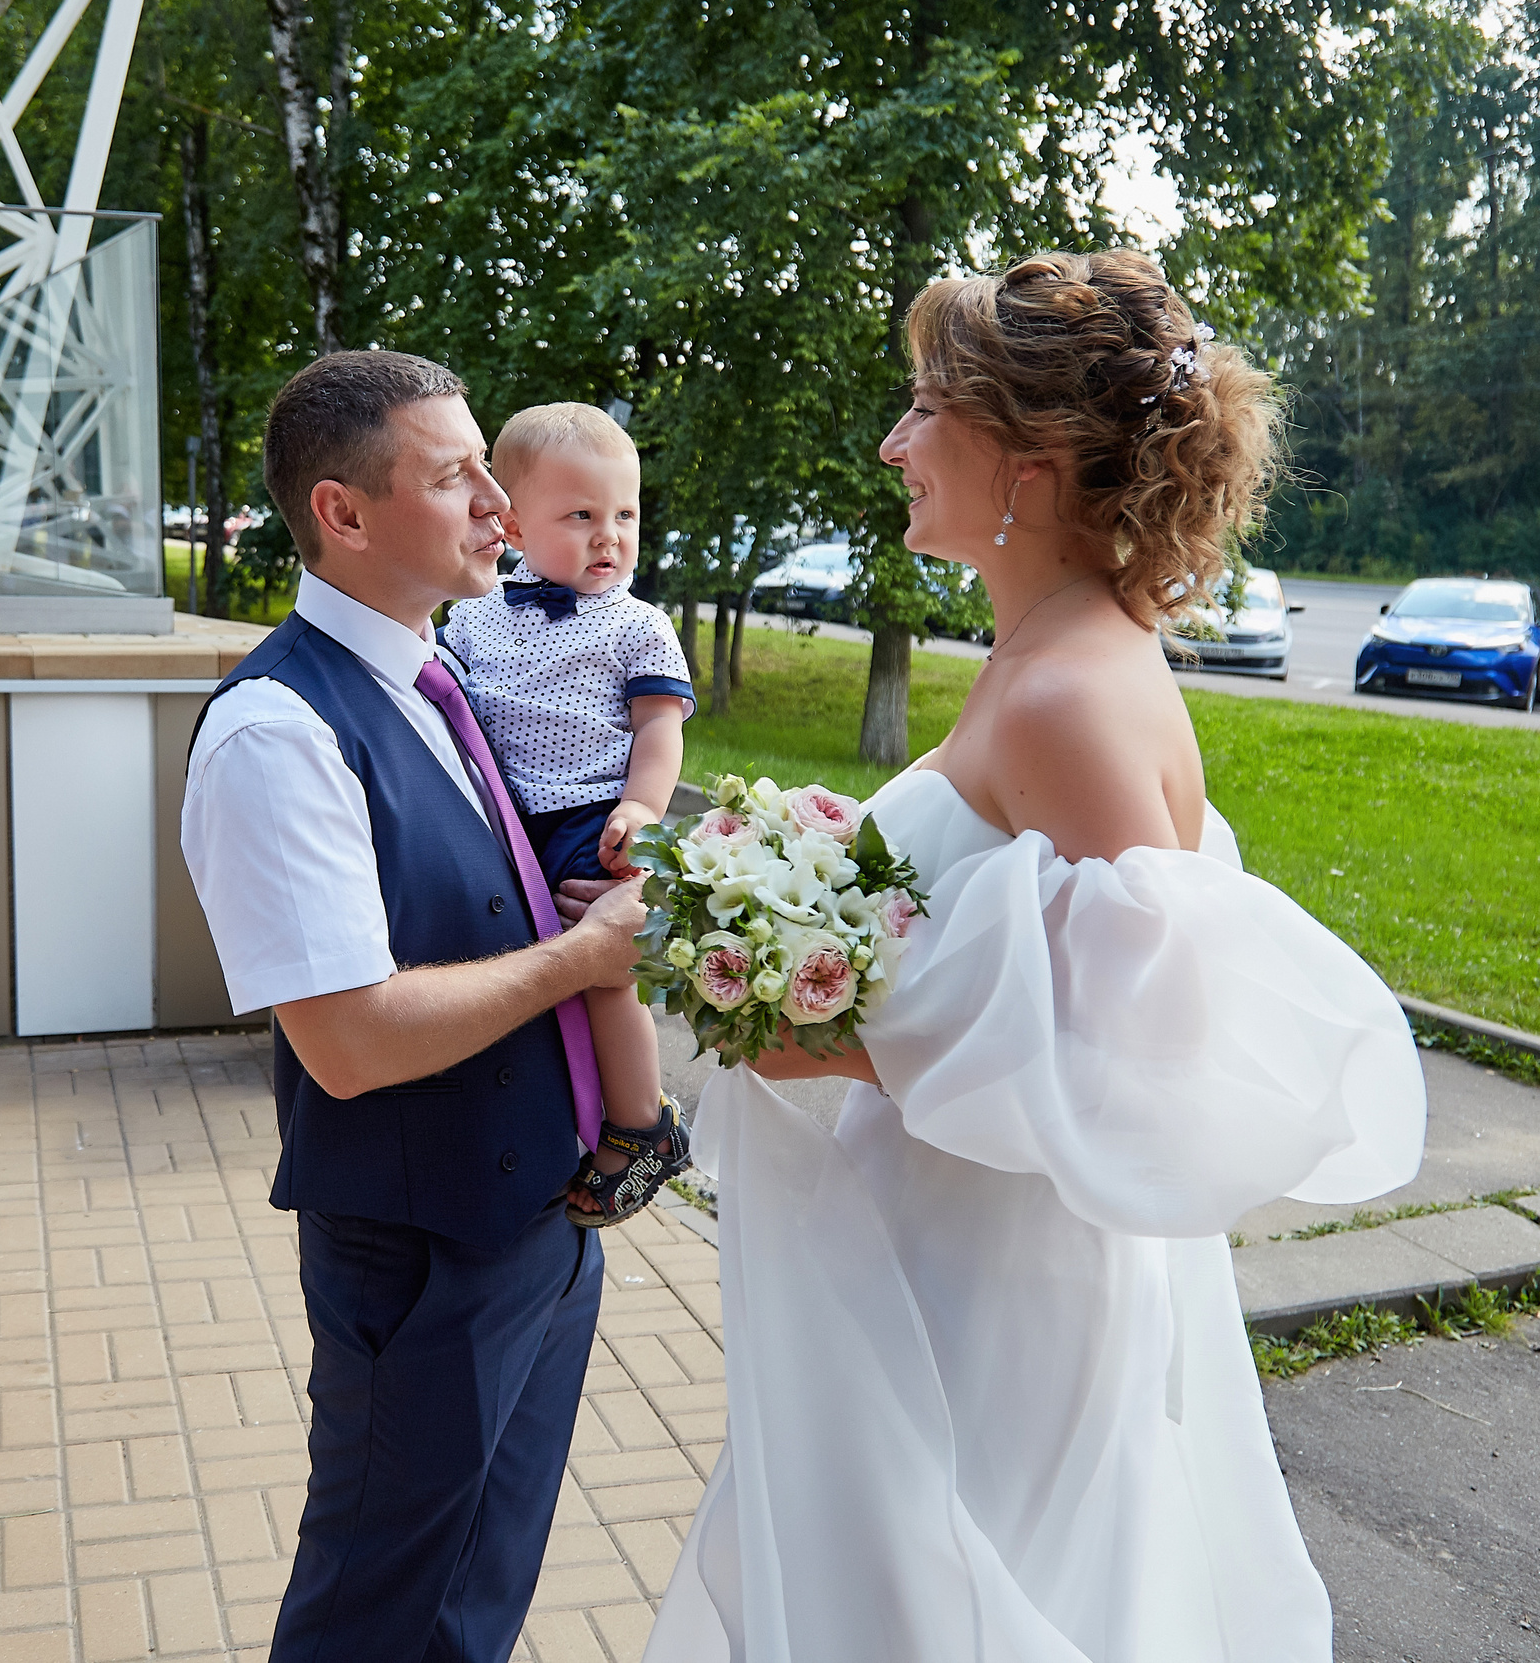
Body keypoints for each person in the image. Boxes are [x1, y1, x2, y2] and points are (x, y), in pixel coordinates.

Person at [605, 250, 1429, 1661]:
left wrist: (808, 1022)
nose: (894, 443)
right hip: (941, 1242)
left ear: (1031, 465)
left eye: (927, 408)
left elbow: (1142, 1054)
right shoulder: (1046, 654)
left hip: (997, 1284)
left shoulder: (1070, 695)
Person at [178, 350, 647, 1663]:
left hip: (541, 1229)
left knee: (473, 1602)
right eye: (456, 478)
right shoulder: (278, 731)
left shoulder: (443, 675)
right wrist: (580, 957)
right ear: (343, 512)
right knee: (375, 1614)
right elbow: (351, 1039)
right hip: (427, 1263)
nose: (502, 504)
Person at [442, 403, 696, 1226]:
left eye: (624, 514)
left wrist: (642, 805)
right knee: (524, 967)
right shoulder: (472, 614)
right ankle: (565, 1111)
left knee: (602, 970)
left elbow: (660, 729)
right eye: (581, 515)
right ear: (513, 522)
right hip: (508, 819)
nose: (609, 536)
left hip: (596, 814)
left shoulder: (635, 623)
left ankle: (642, 1125)